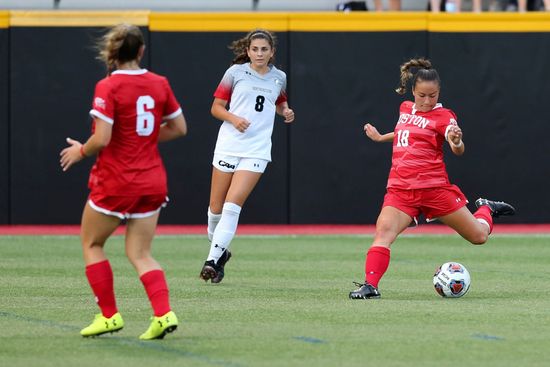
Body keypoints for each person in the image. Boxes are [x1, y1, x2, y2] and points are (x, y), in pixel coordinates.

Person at [59, 23, 187, 338]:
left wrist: (80, 151)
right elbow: (180, 128)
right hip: (152, 181)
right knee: (140, 253)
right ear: (141, 51)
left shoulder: (108, 86)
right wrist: (140, 140)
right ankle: (163, 314)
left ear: (113, 53)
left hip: (116, 181)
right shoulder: (159, 82)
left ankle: (109, 316)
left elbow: (101, 139)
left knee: (92, 243)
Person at [349, 58, 515, 300]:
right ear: (413, 92)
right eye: (422, 95)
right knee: (383, 232)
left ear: (439, 93)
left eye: (433, 95)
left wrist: (456, 141)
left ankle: (486, 209)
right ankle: (370, 286)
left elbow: (455, 144)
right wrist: (380, 138)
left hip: (434, 189)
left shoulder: (444, 116)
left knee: (479, 237)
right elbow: (406, 133)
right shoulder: (405, 108)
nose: (427, 101)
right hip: (400, 190)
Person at [200, 29, 295, 284]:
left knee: (232, 206)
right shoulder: (235, 73)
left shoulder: (279, 77)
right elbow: (216, 108)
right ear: (248, 51)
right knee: (215, 211)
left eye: (265, 49)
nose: (260, 53)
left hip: (257, 149)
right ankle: (221, 253)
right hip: (229, 144)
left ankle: (210, 261)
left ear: (272, 52)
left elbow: (278, 103)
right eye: (255, 49)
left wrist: (285, 111)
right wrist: (233, 118)